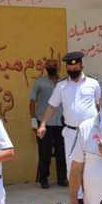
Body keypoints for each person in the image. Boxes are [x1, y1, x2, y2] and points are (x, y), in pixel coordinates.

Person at [37, 51, 101, 199]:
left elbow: (100, 106)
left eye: (75, 67)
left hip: (91, 131)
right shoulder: (61, 86)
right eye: (69, 67)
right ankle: (78, 196)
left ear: (81, 65)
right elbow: (52, 106)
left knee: (92, 162)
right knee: (72, 164)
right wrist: (43, 124)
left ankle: (92, 194)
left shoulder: (93, 83)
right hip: (71, 132)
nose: (72, 69)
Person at [29, 58, 66, 189]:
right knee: (45, 152)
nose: (51, 67)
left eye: (54, 65)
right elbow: (32, 102)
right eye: (49, 65)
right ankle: (43, 179)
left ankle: (62, 179)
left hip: (61, 123)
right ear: (45, 67)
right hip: (44, 123)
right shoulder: (39, 82)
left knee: (62, 152)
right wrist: (33, 120)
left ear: (58, 67)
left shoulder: (64, 83)